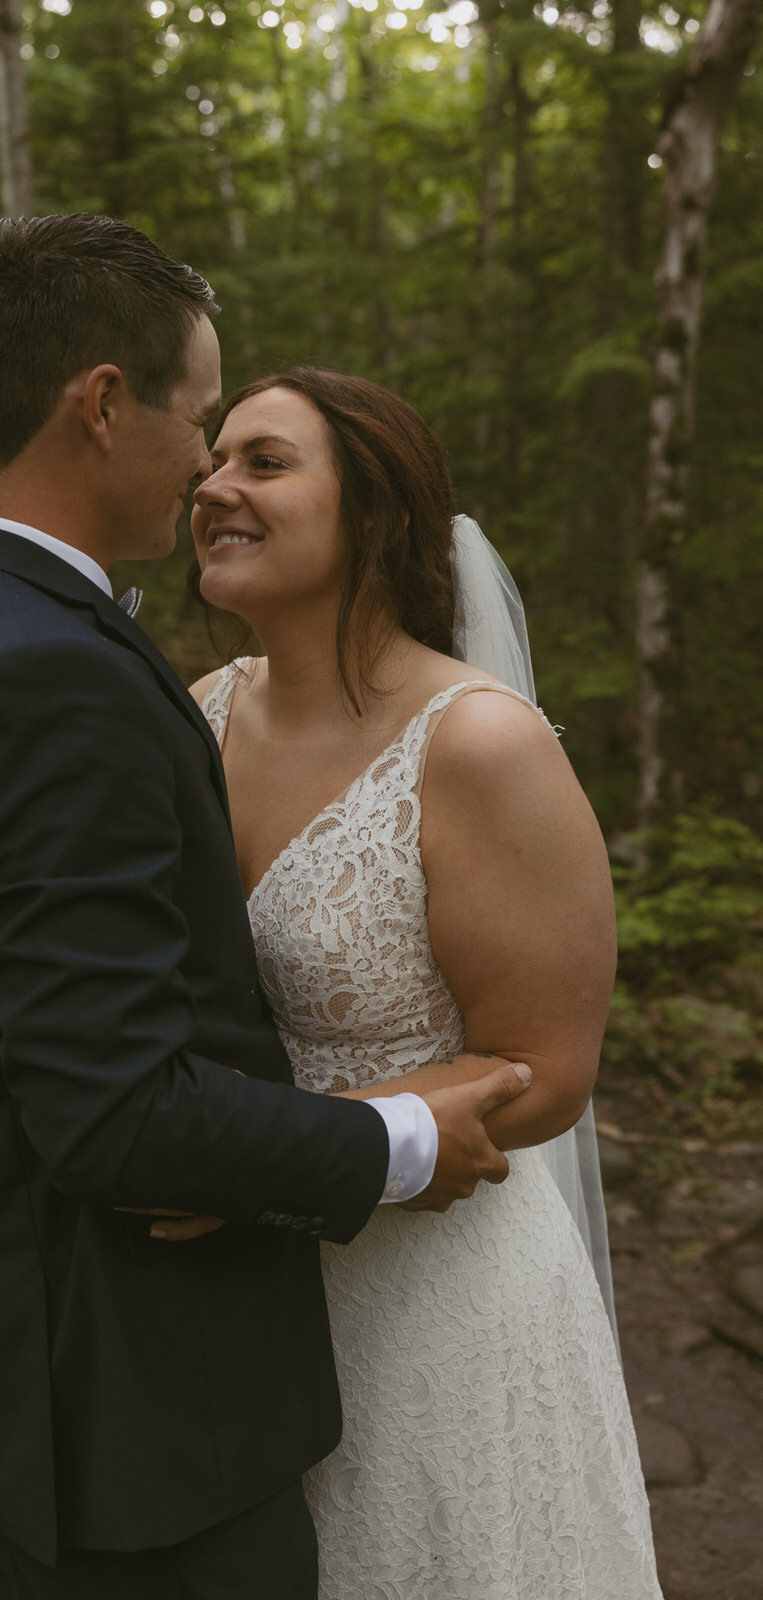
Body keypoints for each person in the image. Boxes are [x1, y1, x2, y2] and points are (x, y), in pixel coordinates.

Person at [0, 217, 533, 1600]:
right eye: (198, 416)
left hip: (45, 1386)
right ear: (101, 403)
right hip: (140, 1420)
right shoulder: (56, 674)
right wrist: (392, 1139)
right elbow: (112, 1112)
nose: (204, 463)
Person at [186, 368, 665, 1599]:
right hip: (234, 1312)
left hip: (436, 1306)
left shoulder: (477, 744)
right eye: (214, 457)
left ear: (376, 515)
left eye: (264, 462)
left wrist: (267, 1166)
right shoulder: (192, 718)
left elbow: (544, 1073)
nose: (213, 485)